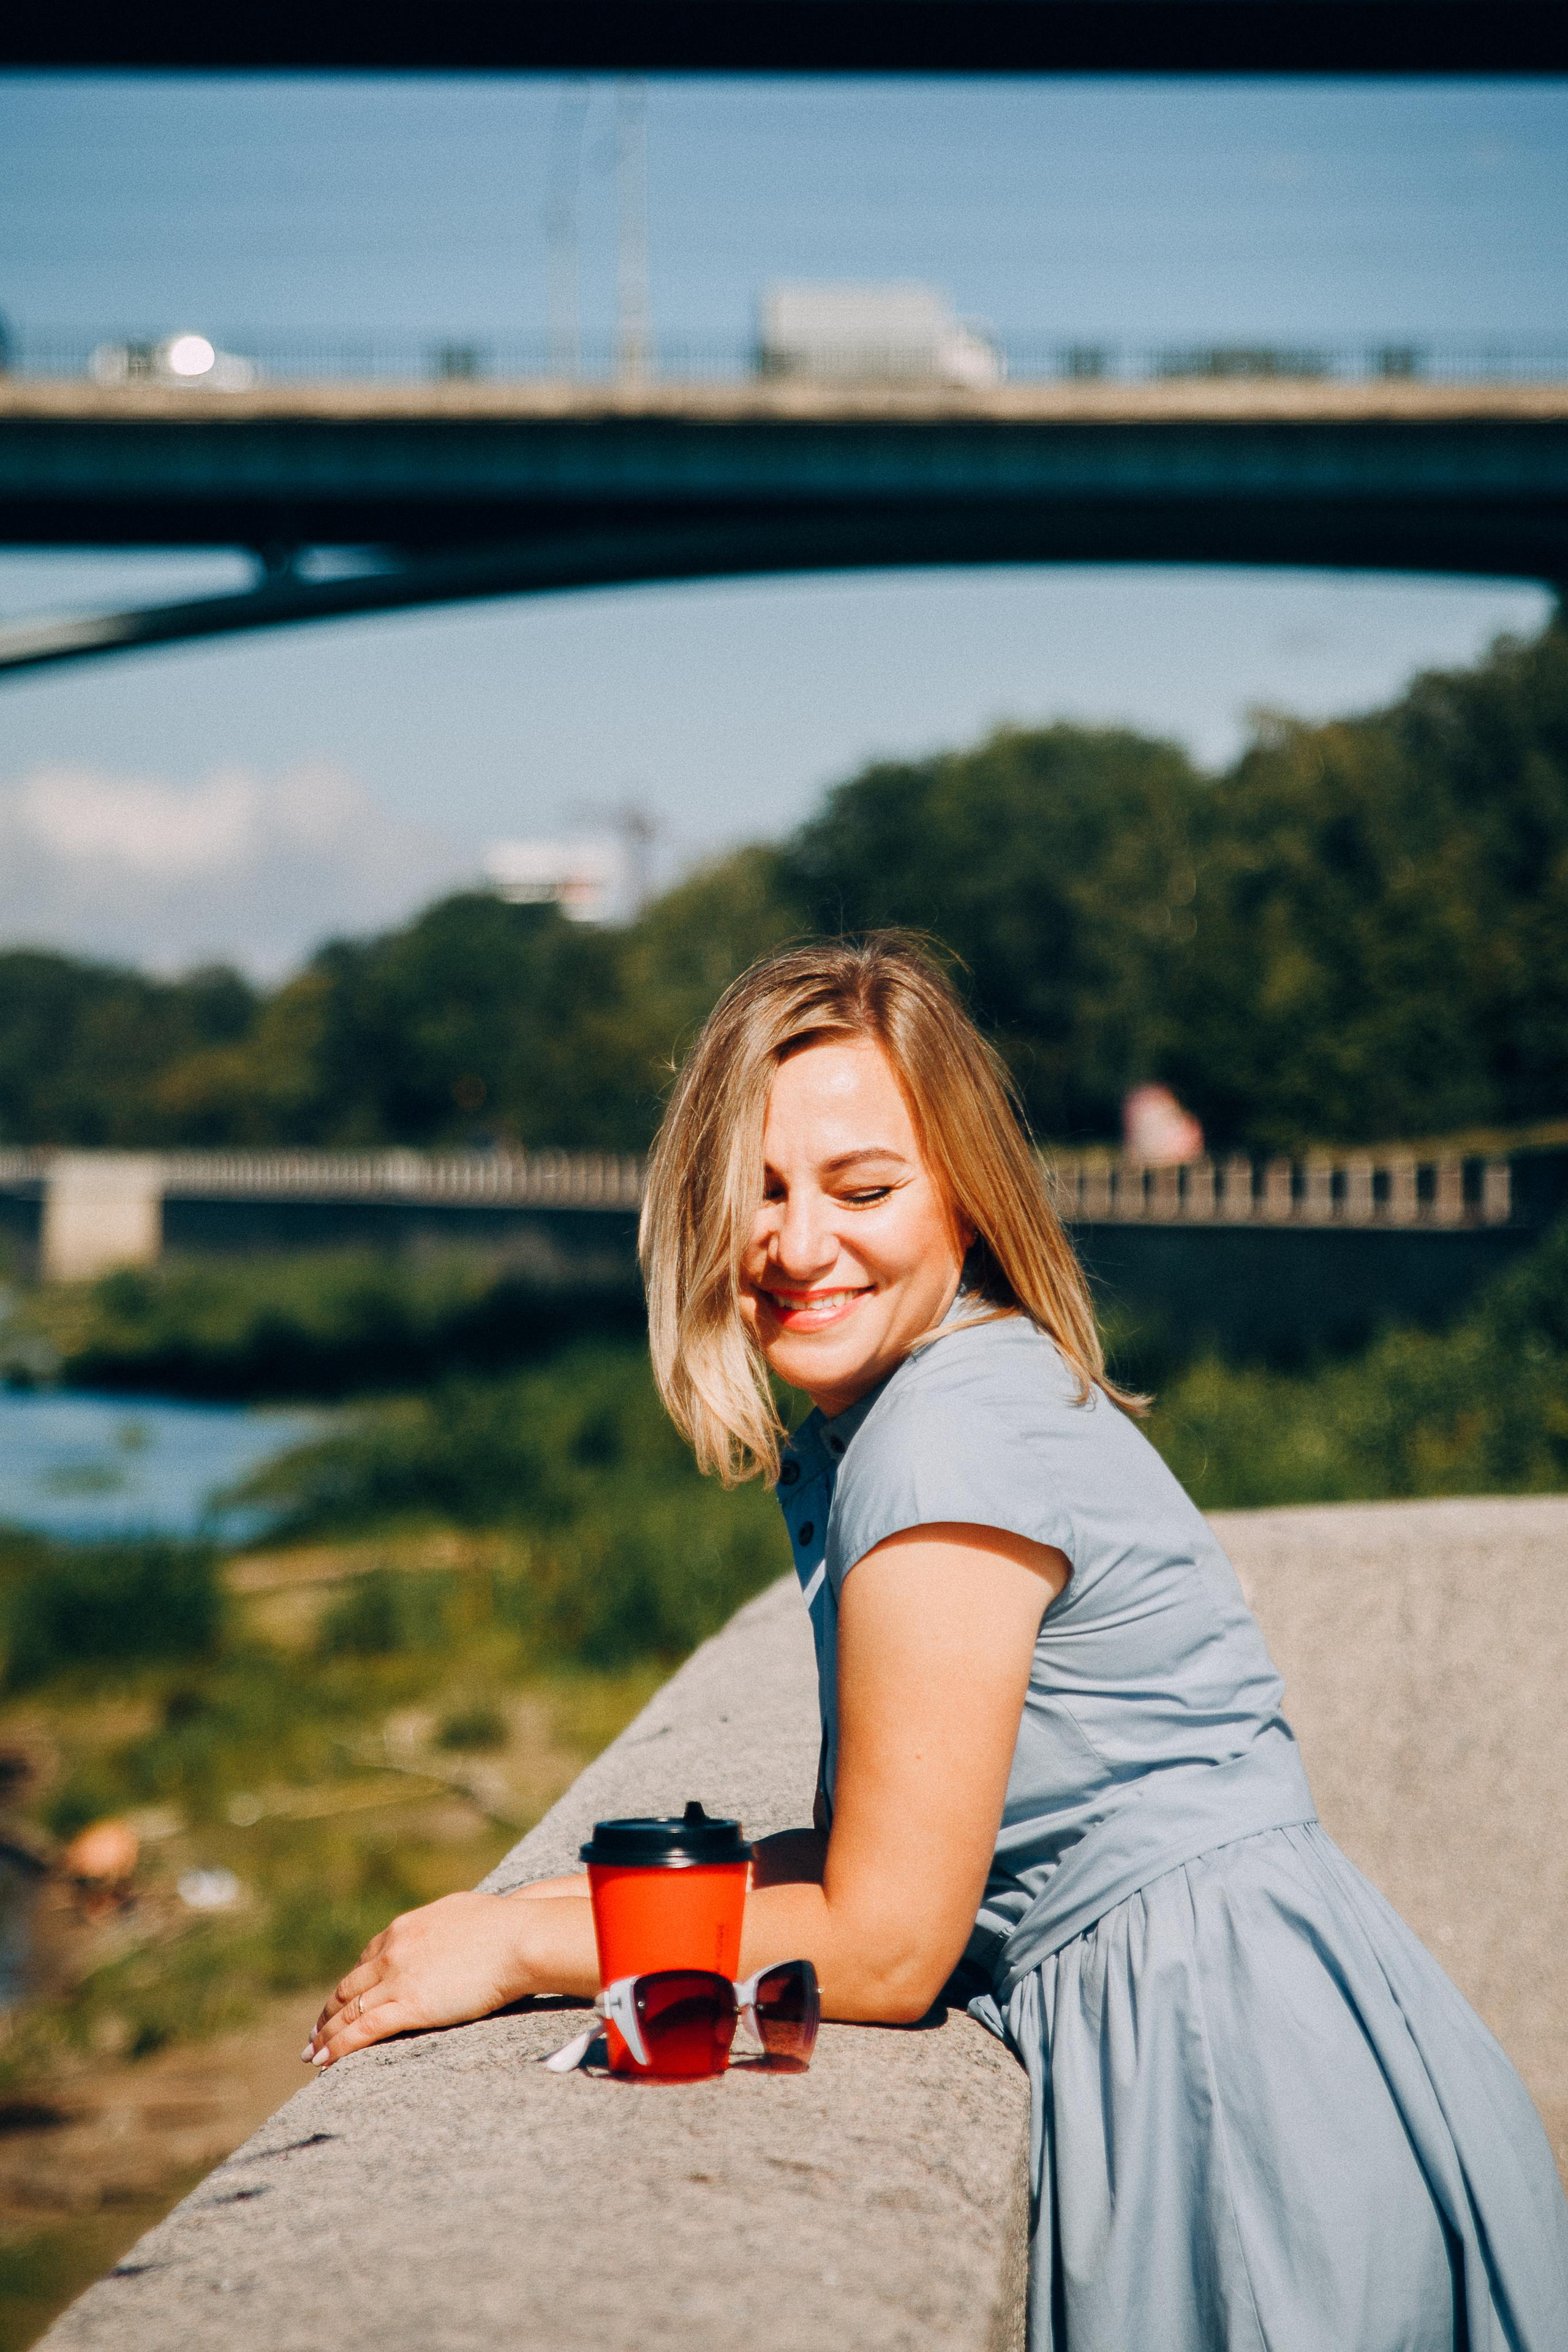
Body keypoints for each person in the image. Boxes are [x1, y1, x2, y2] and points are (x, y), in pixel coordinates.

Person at [307, 935, 1568, 2351]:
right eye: (756, 1192)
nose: (795, 1246)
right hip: (1277, 2032)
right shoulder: (944, 1398)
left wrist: (526, 1951)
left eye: (862, 1189)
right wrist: (538, 1910)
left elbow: (890, 1946)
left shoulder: (941, 1440)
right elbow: (886, 1866)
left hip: (1223, 2079)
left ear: (964, 1195)